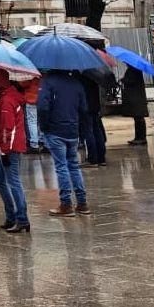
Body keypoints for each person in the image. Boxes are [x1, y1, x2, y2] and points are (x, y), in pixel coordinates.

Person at [38, 69, 88, 217]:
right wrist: (81, 129)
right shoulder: (76, 83)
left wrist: (44, 127)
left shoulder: (48, 83)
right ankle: (82, 202)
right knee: (74, 166)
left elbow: (42, 107)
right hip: (72, 130)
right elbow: (83, 109)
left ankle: (66, 204)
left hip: (55, 130)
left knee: (61, 167)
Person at [0, 71, 30, 233]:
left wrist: (5, 151)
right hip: (6, 146)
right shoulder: (5, 97)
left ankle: (21, 219)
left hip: (9, 147)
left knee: (13, 181)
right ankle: (12, 216)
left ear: (0, 82)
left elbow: (8, 128)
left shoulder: (6, 100)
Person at [76, 73, 108, 167]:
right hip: (95, 106)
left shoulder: (81, 75)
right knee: (97, 130)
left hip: (86, 107)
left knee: (88, 132)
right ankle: (101, 158)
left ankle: (92, 159)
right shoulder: (95, 74)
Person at [119, 63, 149, 145]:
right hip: (137, 98)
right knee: (137, 118)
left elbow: (130, 81)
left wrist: (123, 80)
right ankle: (138, 137)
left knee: (139, 118)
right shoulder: (134, 69)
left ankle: (141, 138)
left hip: (136, 98)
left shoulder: (134, 70)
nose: (125, 63)